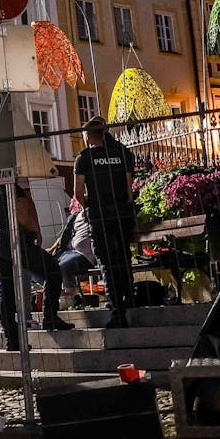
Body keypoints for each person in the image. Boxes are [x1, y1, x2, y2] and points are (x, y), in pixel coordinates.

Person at [0, 182, 72, 351]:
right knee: (52, 270)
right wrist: (35, 231)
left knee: (5, 290)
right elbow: (22, 216)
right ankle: (50, 317)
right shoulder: (13, 189)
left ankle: (11, 338)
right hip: (14, 239)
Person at [74, 117, 137, 328]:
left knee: (106, 260)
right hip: (122, 212)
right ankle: (130, 297)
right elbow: (129, 190)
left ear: (89, 135)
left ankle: (116, 306)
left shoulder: (84, 158)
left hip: (100, 215)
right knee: (123, 255)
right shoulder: (122, 152)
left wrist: (89, 207)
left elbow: (78, 193)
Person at [53, 199, 97, 304]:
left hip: (85, 255)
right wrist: (52, 249)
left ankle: (70, 295)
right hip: (69, 252)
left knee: (63, 267)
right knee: (47, 266)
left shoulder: (95, 214)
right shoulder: (76, 216)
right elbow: (64, 235)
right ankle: (60, 294)